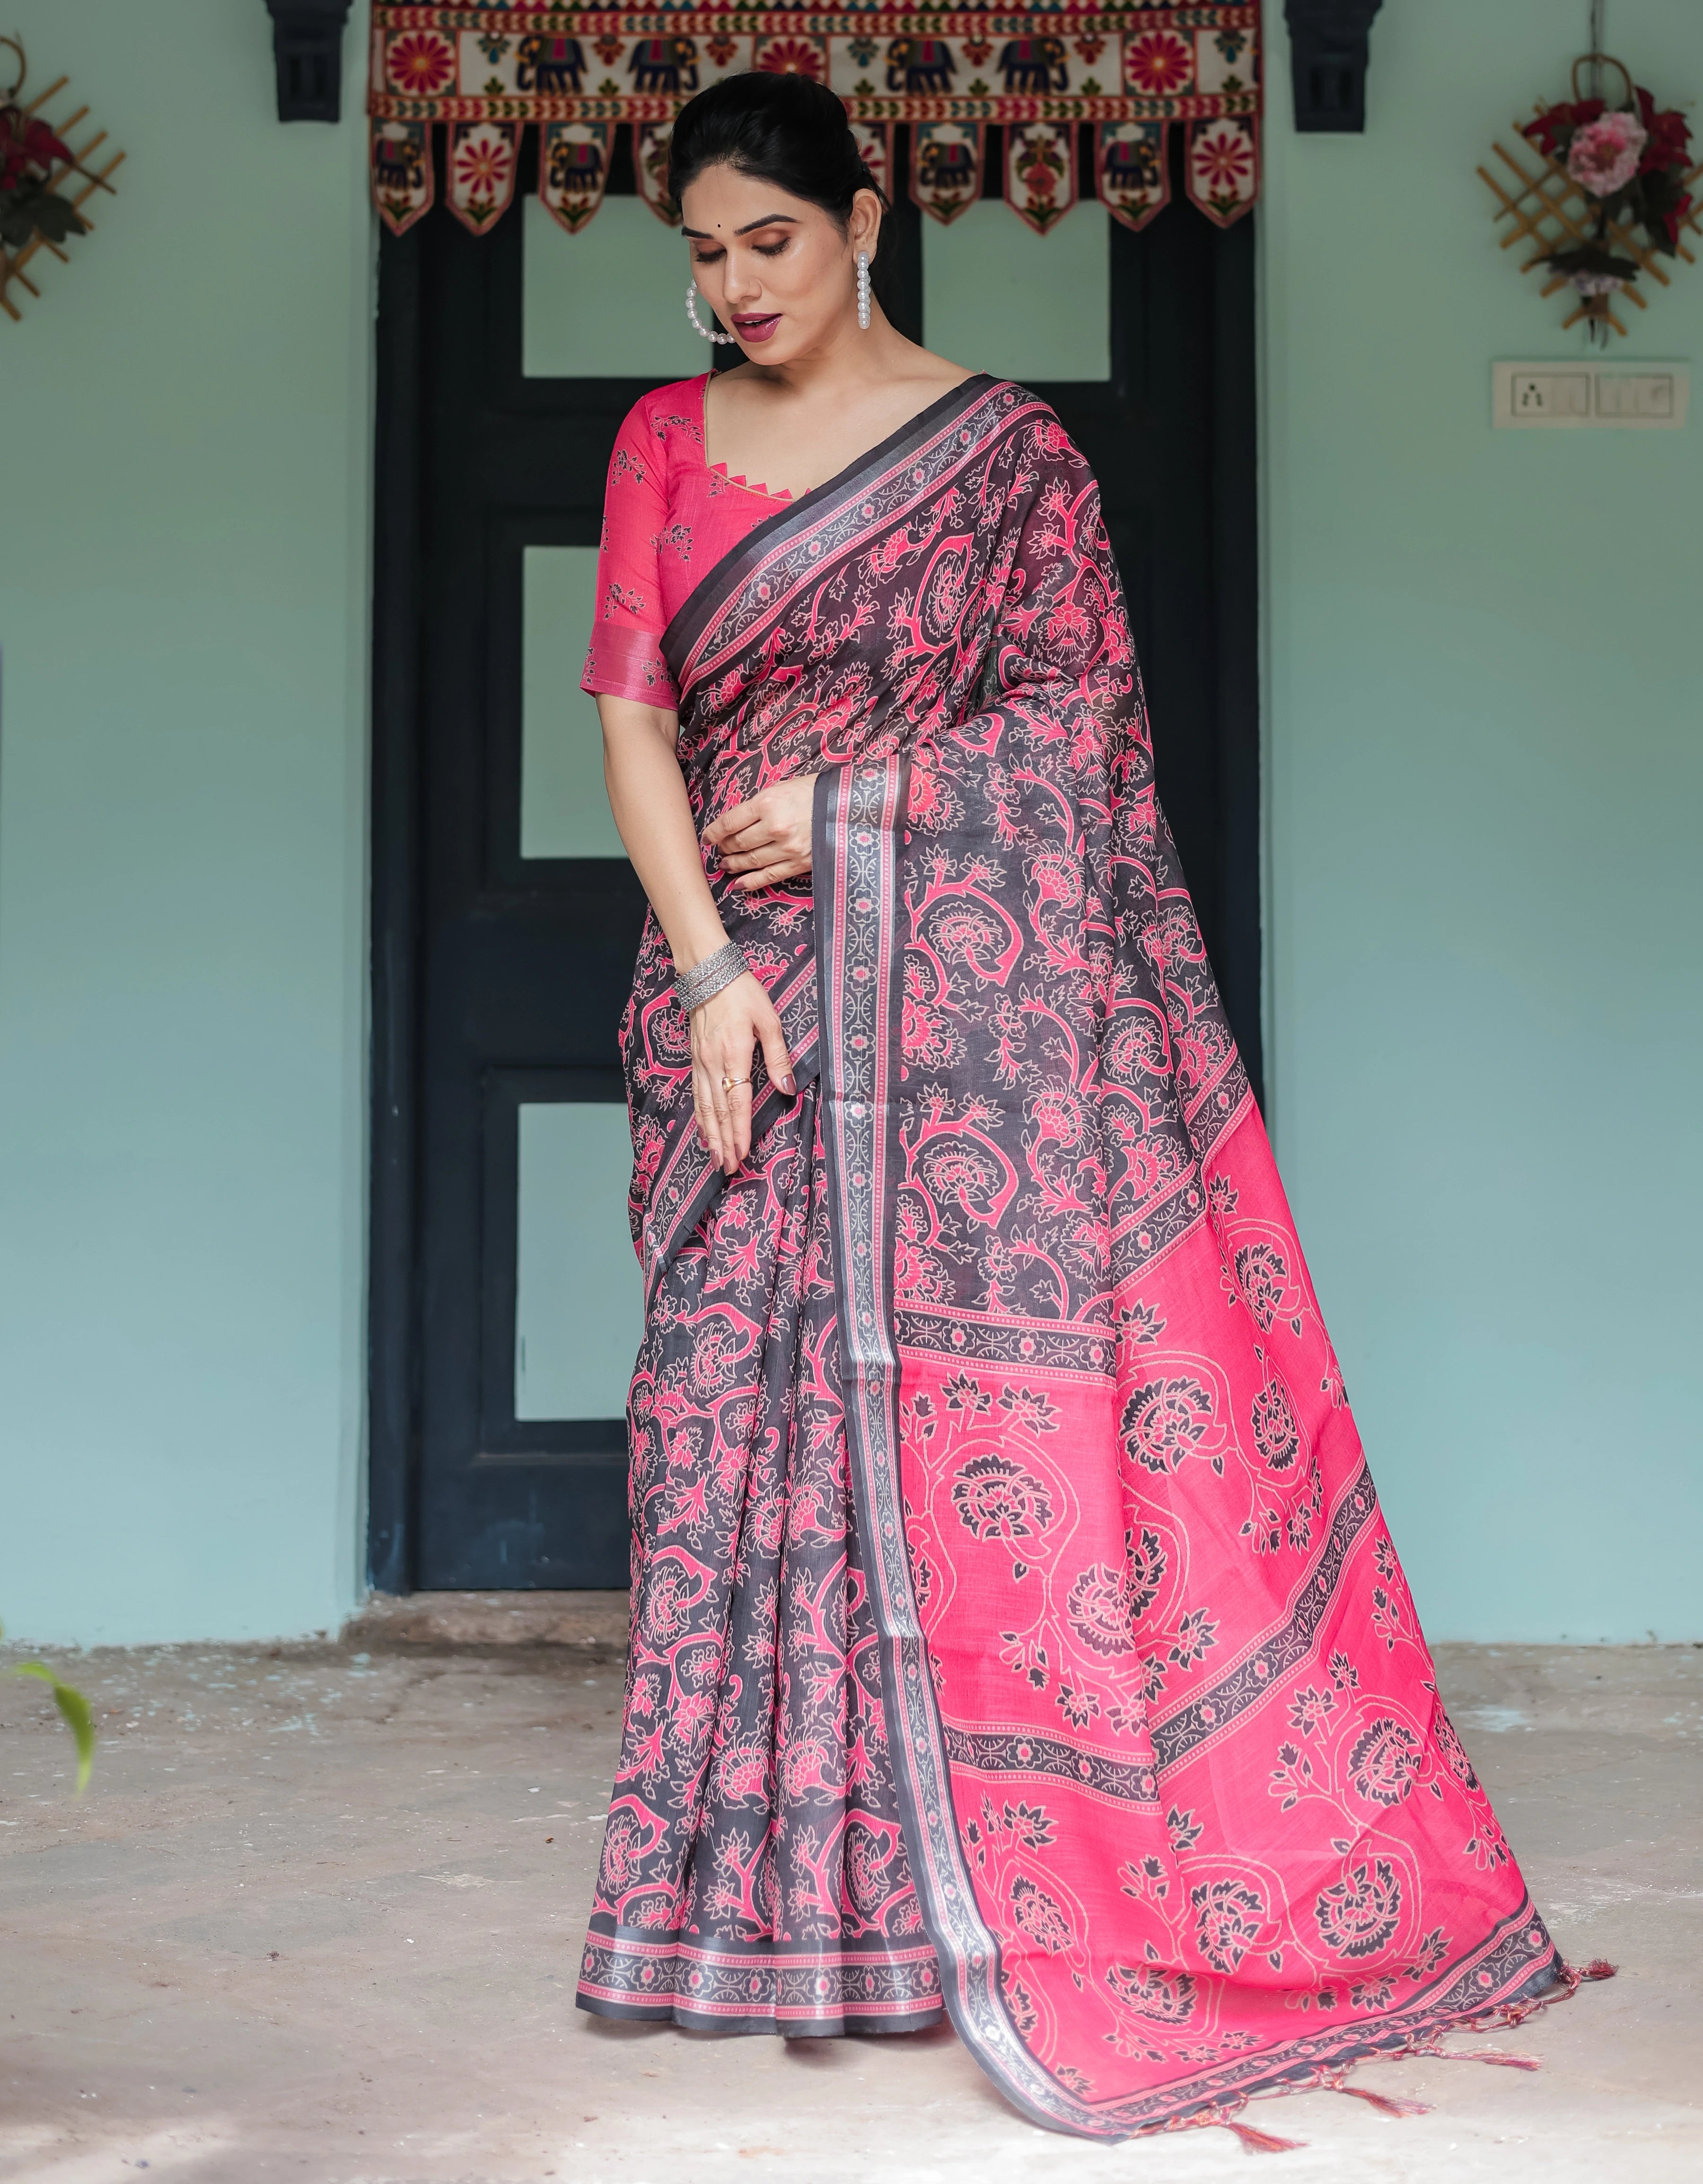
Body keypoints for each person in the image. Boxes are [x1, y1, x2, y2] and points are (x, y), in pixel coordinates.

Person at [573, 70, 1585, 2147]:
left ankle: (929, 1915)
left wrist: (855, 812)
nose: (732, 281)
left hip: (954, 1040)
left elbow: (1075, 744)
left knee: (933, 1454)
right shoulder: (661, 440)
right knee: (723, 1427)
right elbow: (627, 717)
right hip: (742, 1009)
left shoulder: (1008, 455)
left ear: (862, 215)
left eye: (769, 237)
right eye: (699, 248)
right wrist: (699, 979)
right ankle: (750, 1908)